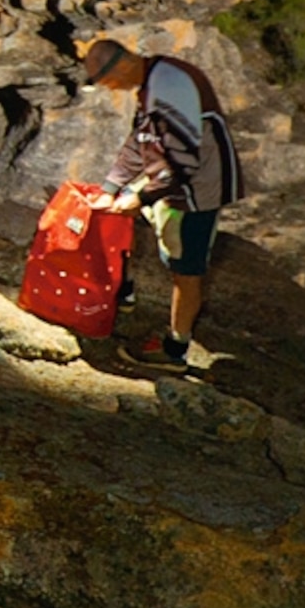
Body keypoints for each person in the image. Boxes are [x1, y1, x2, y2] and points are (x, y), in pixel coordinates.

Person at [82, 36, 243, 370]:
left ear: (124, 63)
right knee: (129, 218)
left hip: (198, 190)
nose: (113, 88)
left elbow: (184, 163)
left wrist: (139, 196)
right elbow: (139, 140)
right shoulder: (151, 80)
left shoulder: (170, 85)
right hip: (172, 179)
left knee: (187, 270)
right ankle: (122, 293)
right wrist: (111, 187)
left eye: (110, 81)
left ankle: (174, 349)